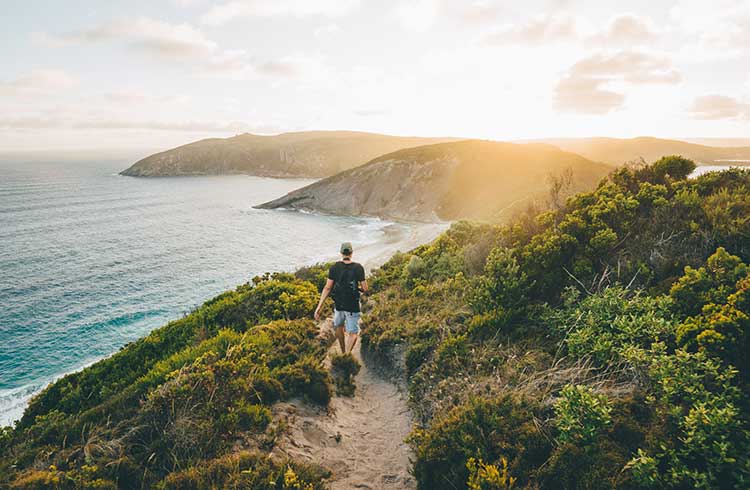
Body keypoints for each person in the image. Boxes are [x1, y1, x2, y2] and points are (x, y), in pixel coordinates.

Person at [314, 242, 368, 354]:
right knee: (353, 333)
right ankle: (347, 355)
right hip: (352, 304)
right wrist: (359, 288)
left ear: (341, 253)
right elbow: (365, 288)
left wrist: (319, 306)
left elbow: (327, 288)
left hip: (339, 304)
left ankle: (343, 351)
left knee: (339, 326)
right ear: (351, 253)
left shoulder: (334, 267)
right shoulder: (358, 268)